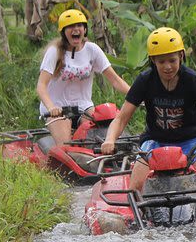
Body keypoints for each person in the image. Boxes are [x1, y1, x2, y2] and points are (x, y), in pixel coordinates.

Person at [101, 27, 196, 193]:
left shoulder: (191, 79)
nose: (167, 67)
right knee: (135, 189)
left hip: (192, 142)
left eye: (172, 60)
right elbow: (121, 118)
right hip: (156, 142)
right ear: (153, 60)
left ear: (181, 56)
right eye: (161, 61)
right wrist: (109, 140)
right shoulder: (145, 80)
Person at [36, 9, 130, 146]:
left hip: (84, 107)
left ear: (84, 29)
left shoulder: (92, 50)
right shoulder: (54, 52)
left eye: (79, 25)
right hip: (58, 110)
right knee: (66, 148)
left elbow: (115, 80)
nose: (76, 29)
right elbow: (41, 85)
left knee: (105, 134)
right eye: (71, 26)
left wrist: (138, 95)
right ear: (63, 32)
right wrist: (51, 107)